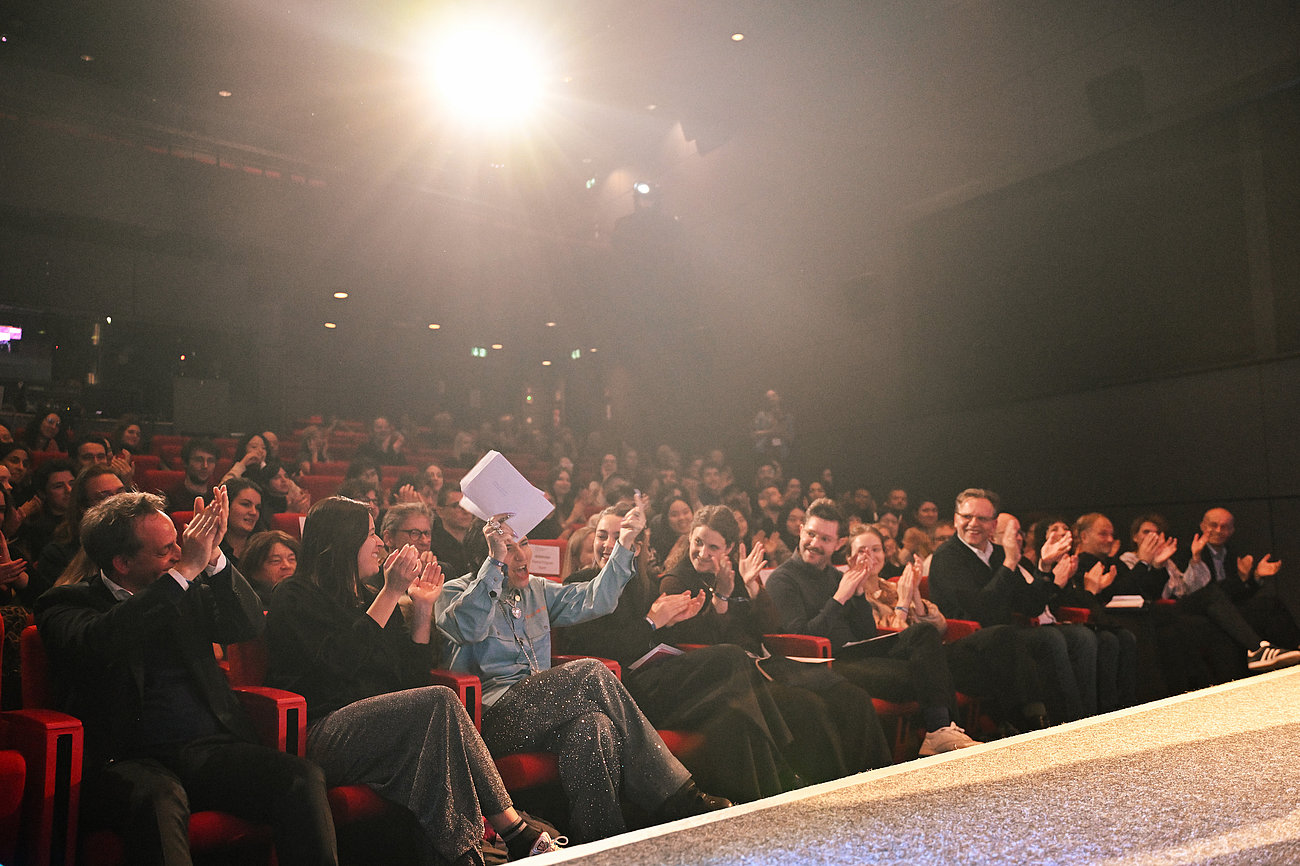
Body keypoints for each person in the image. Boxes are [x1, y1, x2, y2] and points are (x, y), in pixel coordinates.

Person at [35, 489, 338, 866]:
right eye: (166, 550)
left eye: (178, 544)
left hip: (206, 749)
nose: (179, 554)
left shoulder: (185, 590)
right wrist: (182, 574)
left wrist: (214, 558)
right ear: (122, 562)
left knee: (301, 777)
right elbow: (101, 641)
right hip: (125, 759)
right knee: (161, 796)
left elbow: (244, 625)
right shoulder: (65, 603)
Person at [266, 497, 561, 864]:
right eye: (370, 534)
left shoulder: (371, 598)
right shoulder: (294, 595)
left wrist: (422, 609)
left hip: (388, 733)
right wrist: (392, 592)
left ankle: (467, 856)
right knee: (439, 701)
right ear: (342, 542)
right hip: (327, 733)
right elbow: (338, 664)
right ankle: (513, 829)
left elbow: (410, 683)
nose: (379, 543)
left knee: (436, 755)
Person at [436, 502, 731, 843]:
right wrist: (494, 565)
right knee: (591, 671)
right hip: (492, 720)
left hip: (548, 712)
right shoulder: (455, 592)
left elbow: (596, 599)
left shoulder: (536, 589)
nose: (521, 556)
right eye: (508, 548)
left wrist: (625, 543)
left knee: (594, 727)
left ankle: (601, 844)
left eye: (525, 544)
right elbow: (469, 627)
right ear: (487, 555)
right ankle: (677, 796)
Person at [555, 503, 804, 802]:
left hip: (655, 678)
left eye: (618, 537)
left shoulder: (643, 583)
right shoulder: (579, 583)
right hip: (620, 693)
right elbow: (591, 652)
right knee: (732, 657)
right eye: (601, 535)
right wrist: (651, 623)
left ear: (636, 547)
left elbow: (661, 643)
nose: (608, 544)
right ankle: (784, 757)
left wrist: (673, 622)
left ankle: (767, 795)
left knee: (733, 709)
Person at [655, 505, 892, 775]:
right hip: (726, 679)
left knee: (852, 696)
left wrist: (754, 589)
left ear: (728, 548)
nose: (703, 552)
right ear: (689, 538)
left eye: (713, 547)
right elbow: (702, 644)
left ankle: (876, 779)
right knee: (809, 706)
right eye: (698, 542)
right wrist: (721, 601)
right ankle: (829, 787)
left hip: (761, 665)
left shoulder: (730, 575)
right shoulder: (676, 582)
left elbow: (769, 628)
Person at [764, 501, 984, 754]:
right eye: (811, 534)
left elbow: (866, 633)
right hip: (830, 664)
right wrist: (839, 598)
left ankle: (941, 730)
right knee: (929, 674)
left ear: (838, 543)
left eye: (825, 539)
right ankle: (940, 730)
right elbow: (801, 639)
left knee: (923, 633)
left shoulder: (836, 576)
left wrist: (858, 594)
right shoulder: (783, 579)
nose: (814, 543)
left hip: (859, 653)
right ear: (801, 530)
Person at [240, 530, 299, 609]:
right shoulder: (249, 606)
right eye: (276, 561)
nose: (287, 565)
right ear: (254, 571)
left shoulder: (306, 600)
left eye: (291, 559)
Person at [165, 438, 219, 514]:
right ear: (185, 463)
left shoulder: (217, 498)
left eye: (210, 461)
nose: (205, 466)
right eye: (199, 460)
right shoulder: (170, 497)